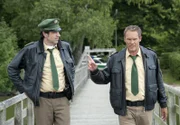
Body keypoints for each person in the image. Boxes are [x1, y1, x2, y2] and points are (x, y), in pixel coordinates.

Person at [88, 25, 167, 125]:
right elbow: (104, 78)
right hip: (125, 109)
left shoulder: (151, 56)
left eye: (134, 39)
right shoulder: (115, 59)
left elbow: (159, 81)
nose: (132, 42)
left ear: (140, 38)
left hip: (146, 108)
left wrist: (163, 104)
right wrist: (94, 71)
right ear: (125, 39)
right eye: (129, 39)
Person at [7, 18, 75, 125]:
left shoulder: (65, 47)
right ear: (45, 34)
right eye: (54, 32)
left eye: (58, 31)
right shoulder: (30, 50)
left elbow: (71, 68)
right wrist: (24, 89)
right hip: (42, 101)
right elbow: (12, 68)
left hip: (63, 99)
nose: (58, 35)